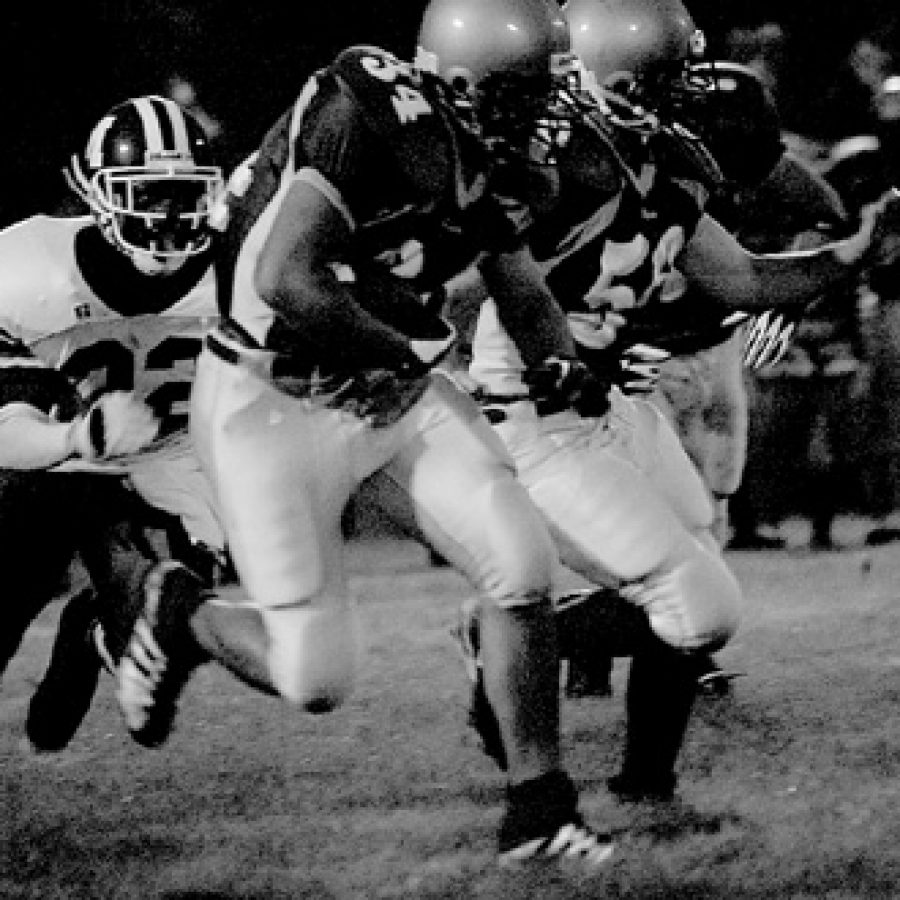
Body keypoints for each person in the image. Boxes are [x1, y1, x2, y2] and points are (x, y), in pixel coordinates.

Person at [179, 0, 614, 867]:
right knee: (316, 680)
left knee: (519, 561)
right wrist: (401, 356)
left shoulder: (492, 159)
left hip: (389, 388)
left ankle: (539, 808)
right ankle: (179, 611)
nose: (546, 115)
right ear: (463, 84)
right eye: (529, 93)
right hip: (270, 398)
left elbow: (521, 292)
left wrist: (561, 363)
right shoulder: (365, 110)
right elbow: (287, 278)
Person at [442, 0, 900, 803]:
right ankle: (509, 636)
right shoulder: (555, 168)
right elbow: (459, 289)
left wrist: (849, 254)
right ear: (620, 83)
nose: (692, 91)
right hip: (539, 414)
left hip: (621, 404)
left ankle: (647, 784)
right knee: (696, 606)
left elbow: (748, 279)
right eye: (674, 78)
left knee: (701, 558)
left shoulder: (660, 162)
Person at [0, 94, 235, 753]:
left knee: (171, 637)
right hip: (56, 462)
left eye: (181, 195)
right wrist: (79, 436)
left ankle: (94, 630)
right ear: (98, 197)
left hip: (175, 469)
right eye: (148, 194)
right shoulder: (25, 269)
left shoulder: (240, 263)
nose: (166, 215)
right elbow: (5, 429)